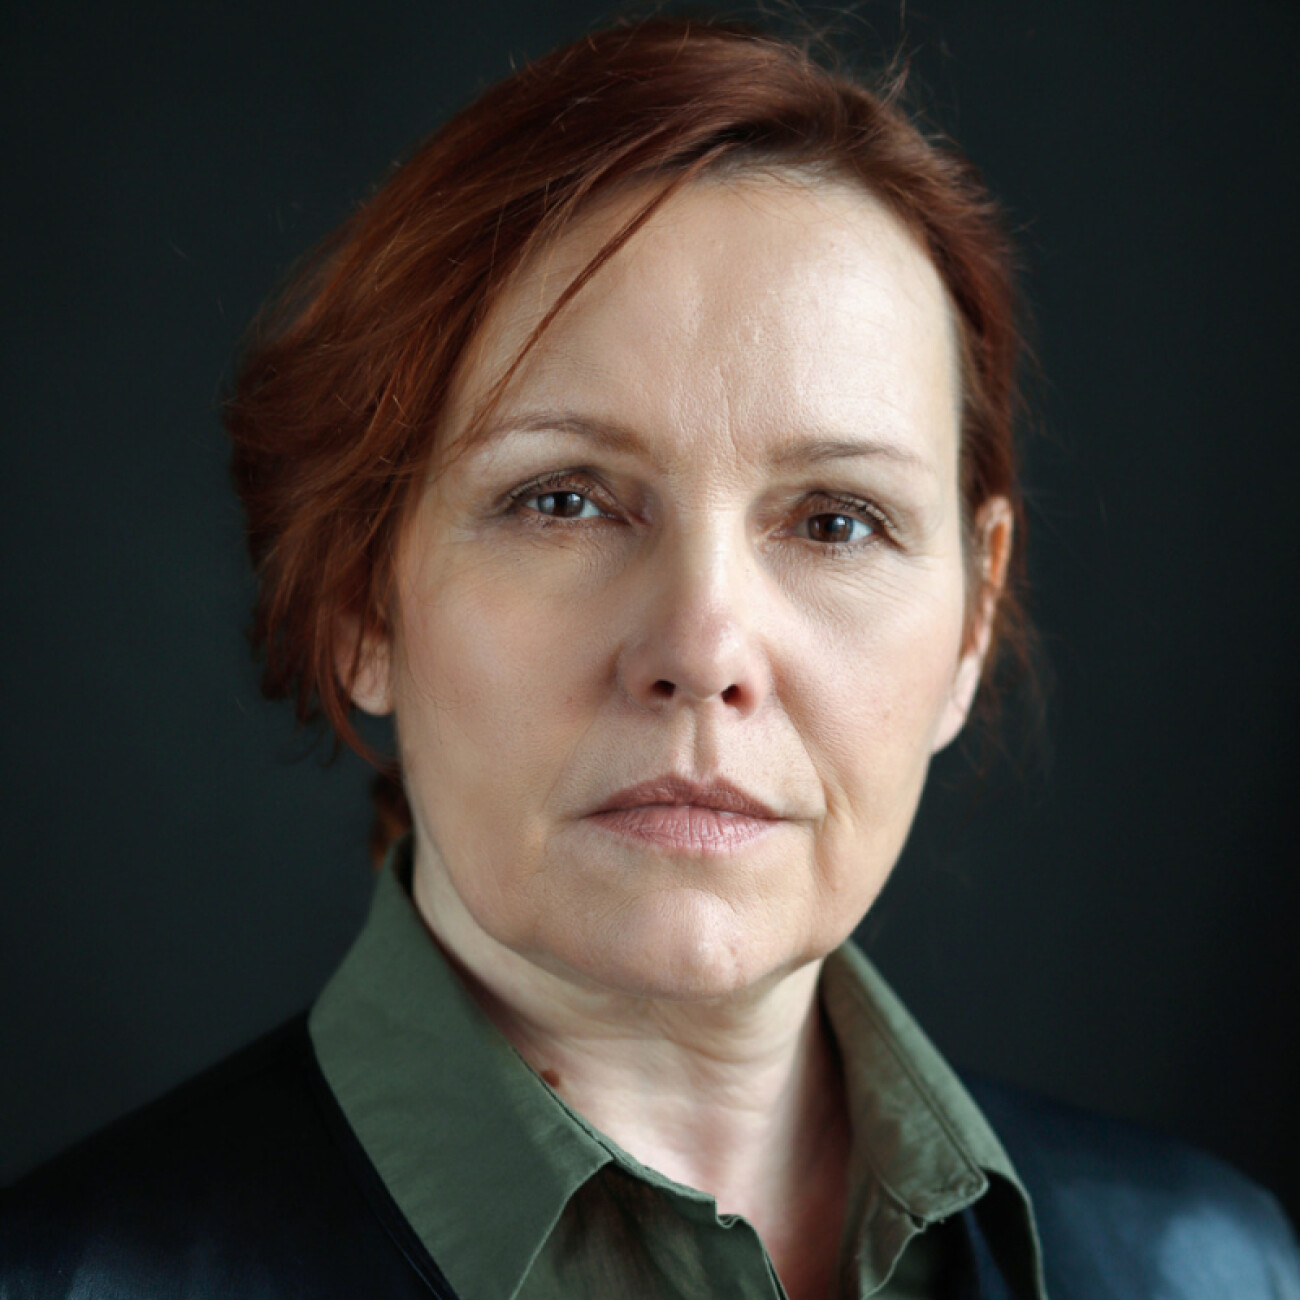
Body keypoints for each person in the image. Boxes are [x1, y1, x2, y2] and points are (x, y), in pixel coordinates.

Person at [2, 15, 1297, 1300]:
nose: (703, 649)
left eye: (836, 521)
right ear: (359, 602)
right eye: (563, 499)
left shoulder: (1219, 1276)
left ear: (972, 618)